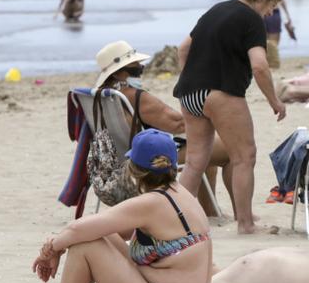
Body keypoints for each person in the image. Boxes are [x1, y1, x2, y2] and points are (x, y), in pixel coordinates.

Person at [19, 129, 212, 283]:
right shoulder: (180, 194)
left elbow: (77, 230)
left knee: (87, 246)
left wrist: (51, 249)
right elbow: (91, 227)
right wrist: (60, 242)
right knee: (95, 233)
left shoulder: (152, 203)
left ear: (134, 168)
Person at [174, 0, 287, 234]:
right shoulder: (252, 20)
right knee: (244, 157)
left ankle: (178, 221)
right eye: (272, 3)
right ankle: (245, 224)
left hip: (189, 93)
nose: (272, 11)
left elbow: (183, 49)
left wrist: (192, 78)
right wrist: (275, 101)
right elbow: (260, 66)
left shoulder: (216, 10)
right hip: (220, 92)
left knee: (194, 162)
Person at [93, 41, 232, 215]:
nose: (141, 67)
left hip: (119, 156)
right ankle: (239, 212)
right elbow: (178, 124)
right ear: (121, 72)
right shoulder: (133, 96)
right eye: (135, 66)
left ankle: (210, 210)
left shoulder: (101, 96)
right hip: (146, 156)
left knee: (207, 153)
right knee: (227, 149)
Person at [262, 0, 295, 71]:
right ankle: (271, 66)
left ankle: (265, 64)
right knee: (273, 43)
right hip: (274, 12)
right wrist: (288, 16)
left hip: (261, 12)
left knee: (263, 42)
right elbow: (282, 0)